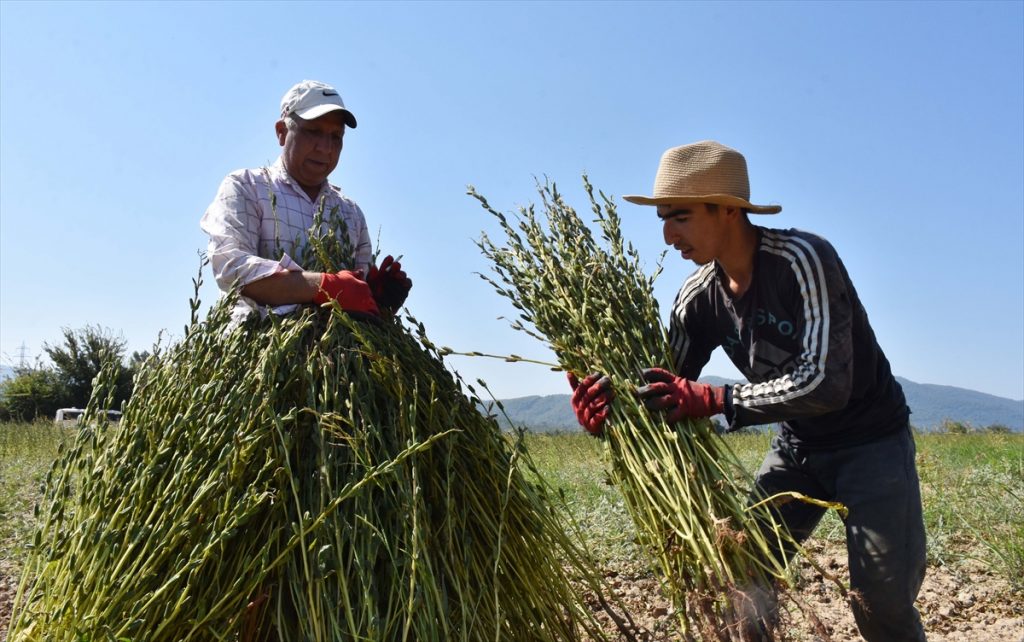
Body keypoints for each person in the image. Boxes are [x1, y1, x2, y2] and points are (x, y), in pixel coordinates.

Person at [569, 141, 927, 641]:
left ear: (729, 211)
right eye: (663, 220)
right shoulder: (698, 298)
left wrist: (718, 399)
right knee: (741, 578)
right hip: (798, 448)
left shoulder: (803, 261)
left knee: (881, 600)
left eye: (681, 217)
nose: (668, 234)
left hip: (872, 442)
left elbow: (825, 382)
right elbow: (660, 385)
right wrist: (610, 414)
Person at [200, 79, 411, 323]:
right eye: (314, 132)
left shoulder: (350, 213)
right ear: (282, 132)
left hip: (334, 356)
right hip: (259, 347)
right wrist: (324, 286)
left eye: (336, 137)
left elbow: (356, 299)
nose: (326, 148)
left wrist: (377, 299)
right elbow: (232, 269)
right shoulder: (246, 186)